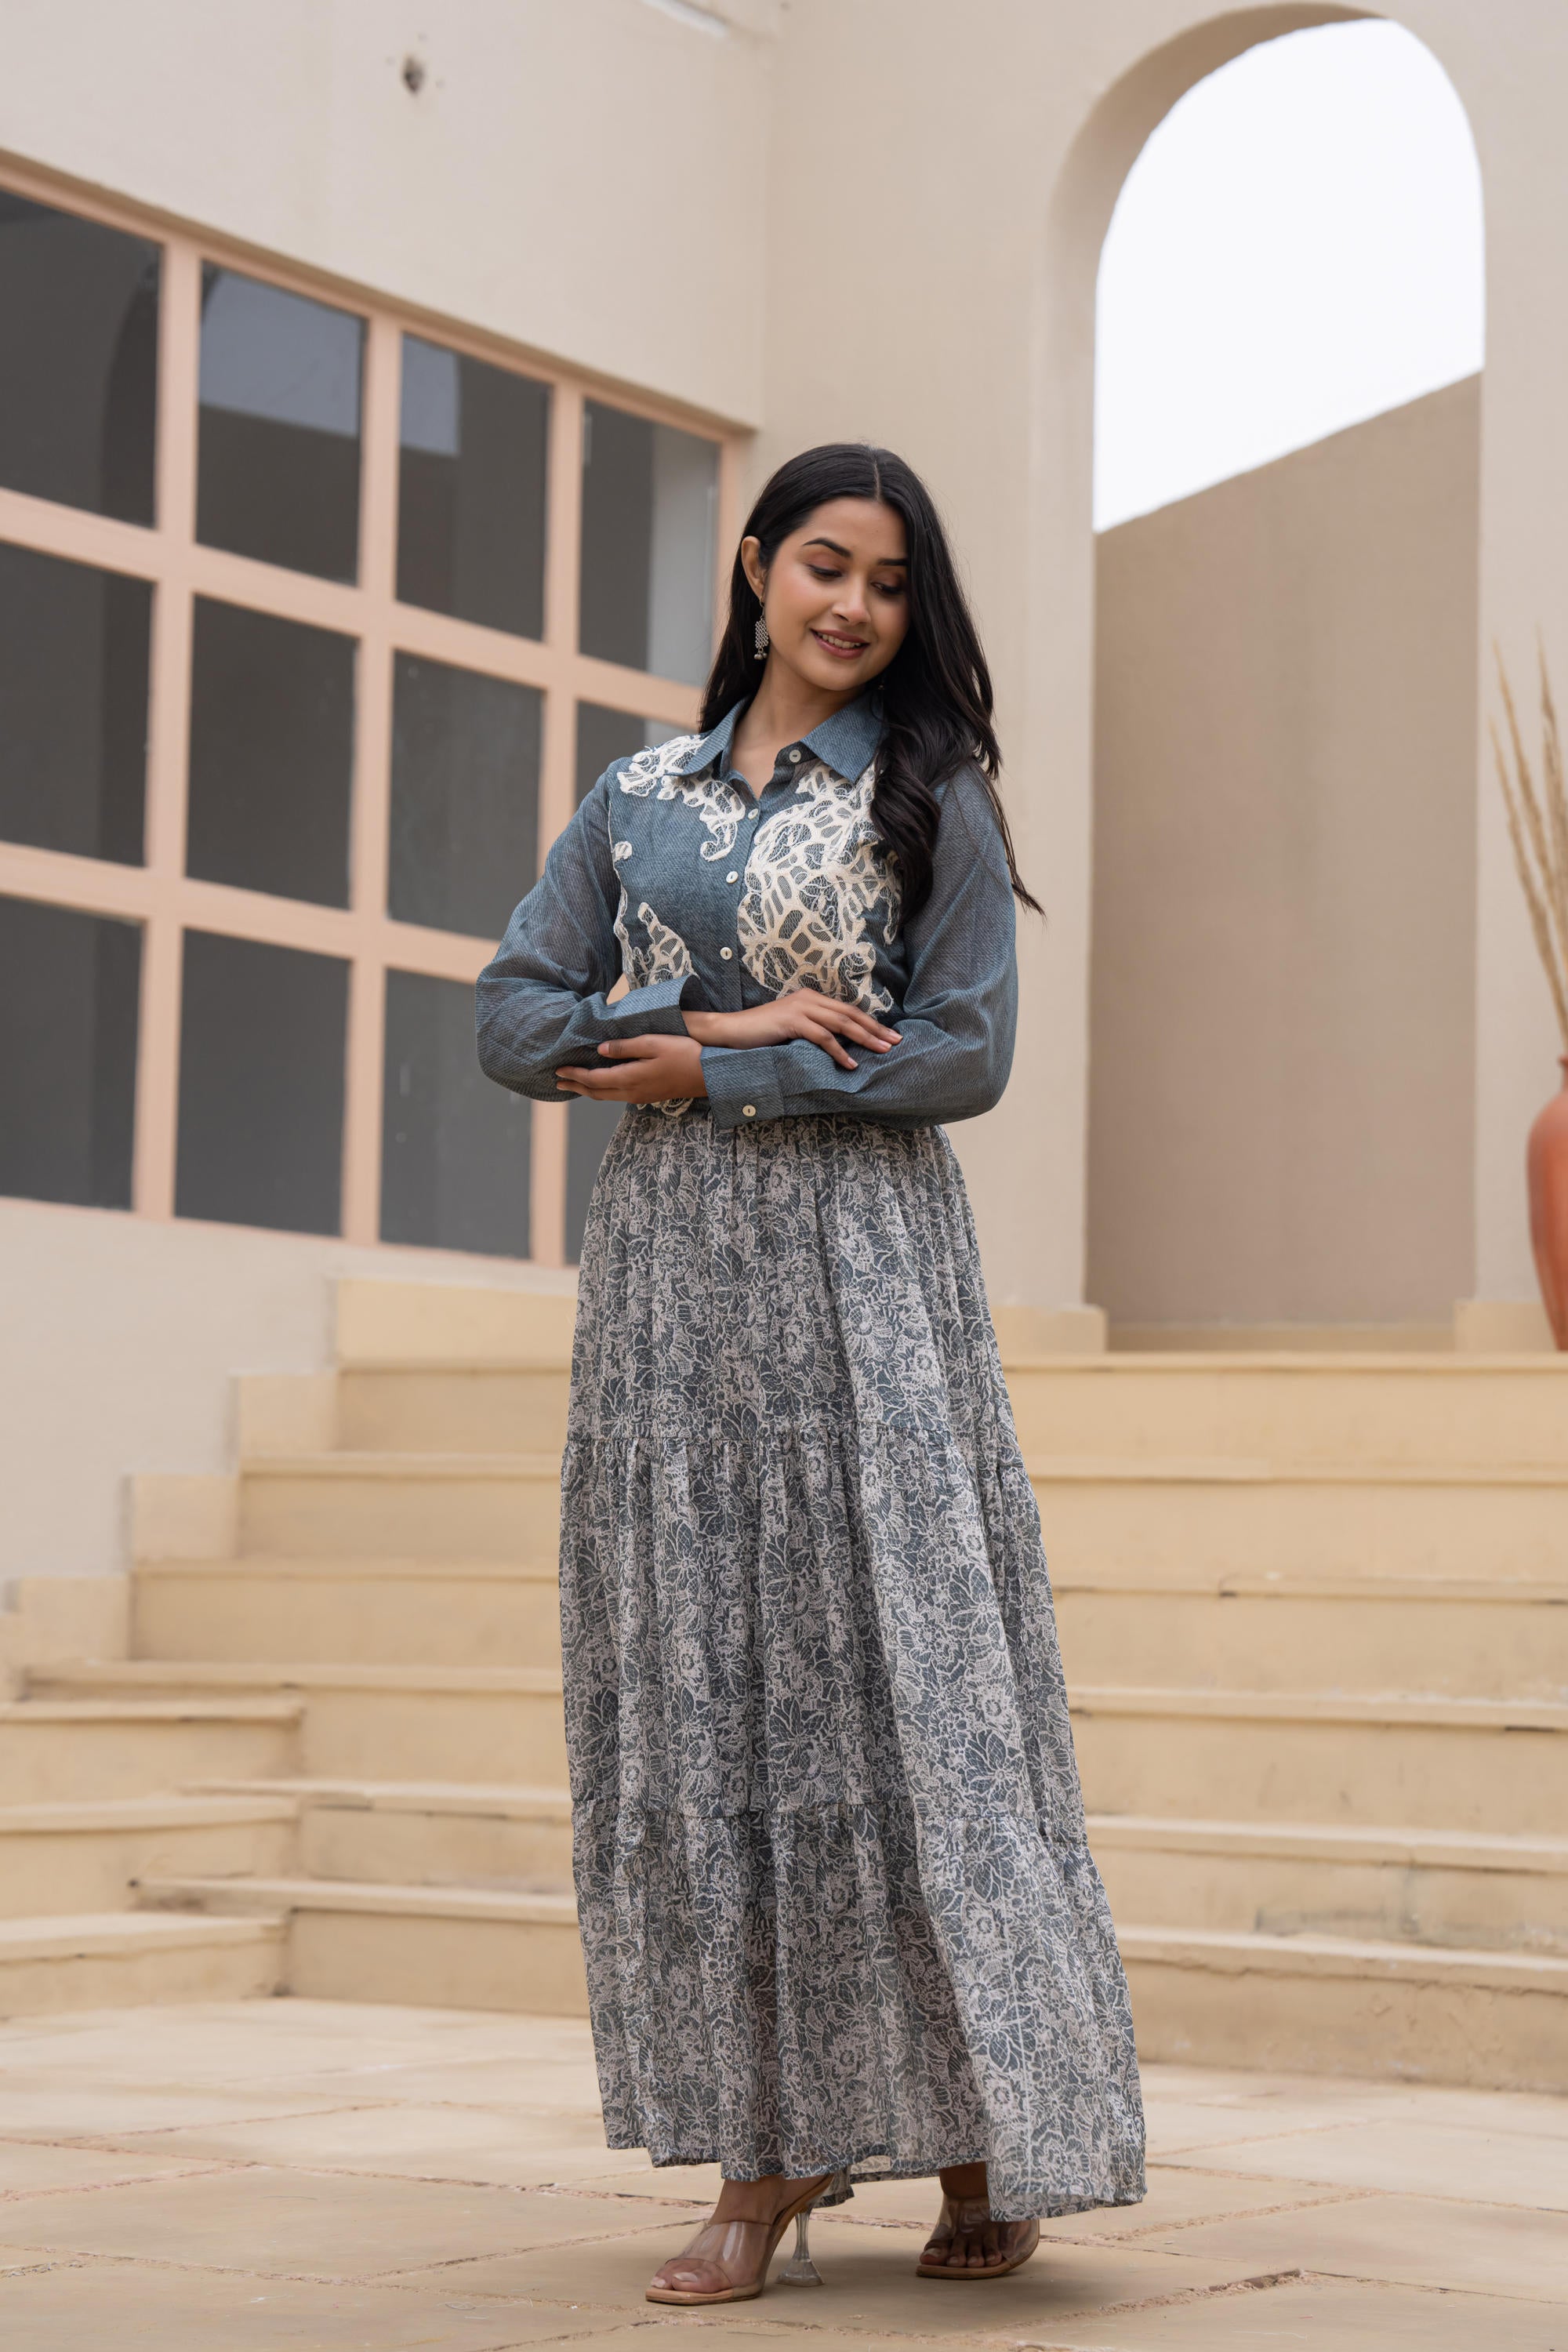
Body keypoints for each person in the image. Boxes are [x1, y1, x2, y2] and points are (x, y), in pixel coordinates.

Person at [477, 442, 1145, 2304]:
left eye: (892, 583)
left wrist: (738, 1074)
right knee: (723, 1701)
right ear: (758, 568)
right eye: (824, 566)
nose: (853, 606)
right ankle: (761, 2164)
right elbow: (512, 1015)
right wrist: (702, 1020)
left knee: (900, 1692)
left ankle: (987, 2131)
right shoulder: (635, 797)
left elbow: (961, 1057)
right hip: (675, 1298)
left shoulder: (932, 797)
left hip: (865, 1291)